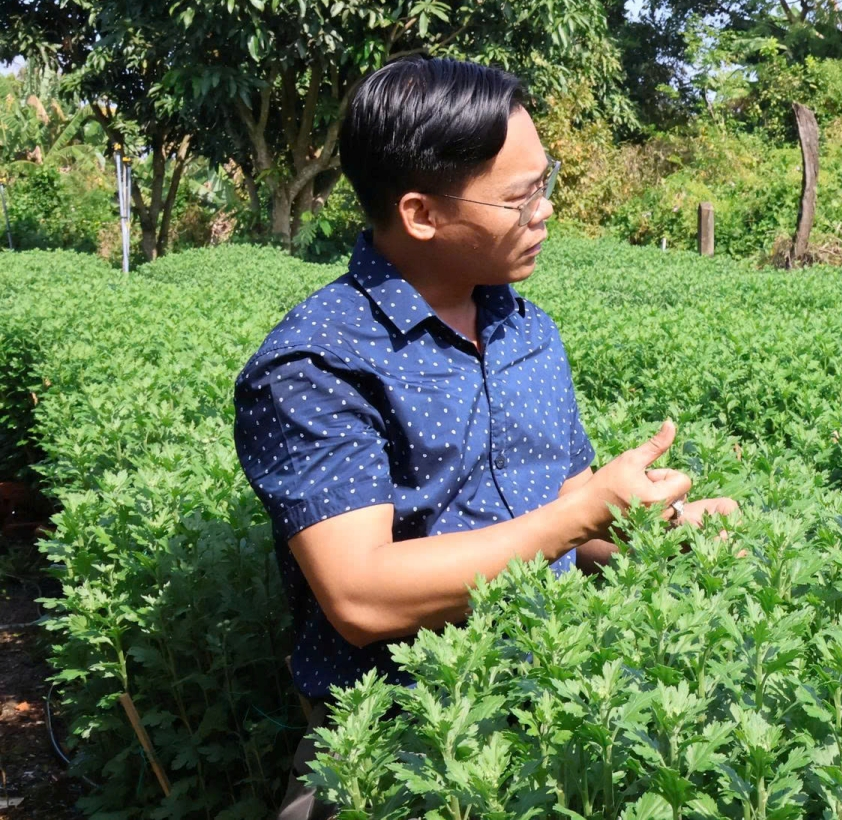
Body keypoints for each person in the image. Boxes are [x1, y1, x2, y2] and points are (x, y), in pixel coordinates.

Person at [234, 57, 734, 820]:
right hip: (399, 745)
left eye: (546, 181)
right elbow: (359, 593)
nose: (546, 211)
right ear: (420, 213)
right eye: (520, 195)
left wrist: (646, 528)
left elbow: (567, 520)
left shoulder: (525, 329)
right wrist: (578, 513)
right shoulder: (316, 364)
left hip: (559, 707)